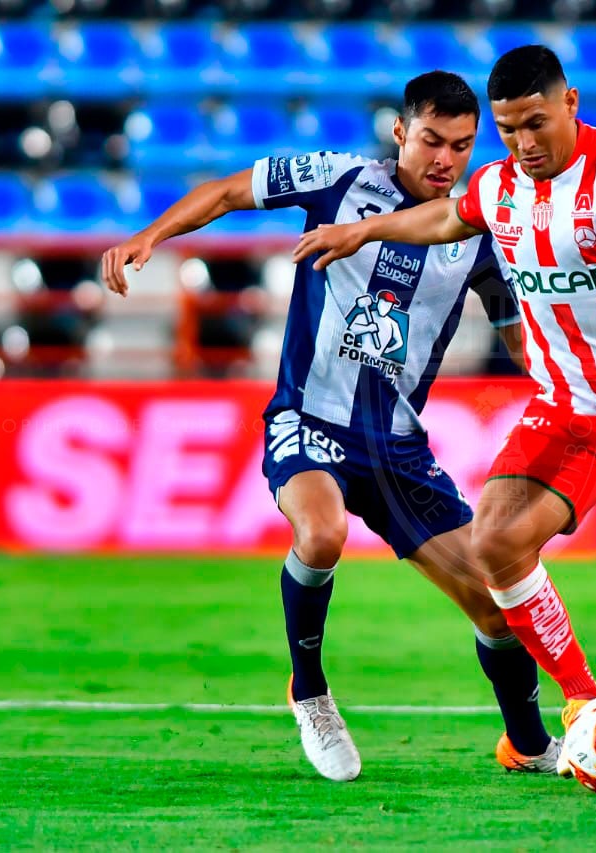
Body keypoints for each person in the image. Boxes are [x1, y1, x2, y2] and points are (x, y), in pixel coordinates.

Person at [293, 46, 596, 792]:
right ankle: (585, 700)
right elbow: (447, 216)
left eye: (535, 123)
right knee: (495, 542)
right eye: (507, 129)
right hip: (568, 410)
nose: (523, 143)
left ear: (570, 103)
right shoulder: (498, 187)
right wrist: (365, 231)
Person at [100, 71, 561, 782]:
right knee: (321, 533)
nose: (444, 159)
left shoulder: (478, 228)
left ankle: (528, 745)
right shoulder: (339, 180)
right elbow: (226, 193)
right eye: (431, 140)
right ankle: (310, 693)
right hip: (309, 419)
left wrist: (571, 386)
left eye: (461, 145)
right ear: (400, 132)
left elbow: (516, 331)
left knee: (499, 606)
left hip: (398, 448)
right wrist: (150, 236)